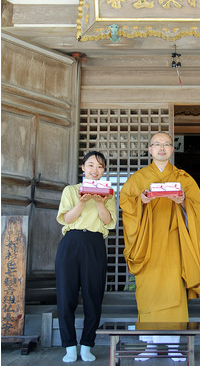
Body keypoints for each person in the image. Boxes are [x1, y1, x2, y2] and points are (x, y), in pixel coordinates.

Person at [119, 132, 200, 362]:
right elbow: (126, 205)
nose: (162, 148)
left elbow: (197, 207)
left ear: (171, 149)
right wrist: (142, 201)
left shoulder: (182, 177)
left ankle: (175, 345)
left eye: (167, 144)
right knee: (148, 293)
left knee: (173, 291)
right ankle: (148, 345)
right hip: (147, 244)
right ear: (149, 149)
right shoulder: (138, 178)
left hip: (174, 243)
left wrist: (183, 202)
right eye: (157, 144)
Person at [55, 151, 117, 363]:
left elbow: (109, 222)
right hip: (71, 243)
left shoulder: (109, 193)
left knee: (93, 296)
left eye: (100, 167)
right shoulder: (71, 190)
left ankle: (87, 344)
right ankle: (69, 345)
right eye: (90, 165)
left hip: (95, 243)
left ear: (104, 170)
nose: (94, 170)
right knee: (66, 297)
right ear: (83, 167)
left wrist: (100, 201)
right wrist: (82, 201)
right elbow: (66, 219)